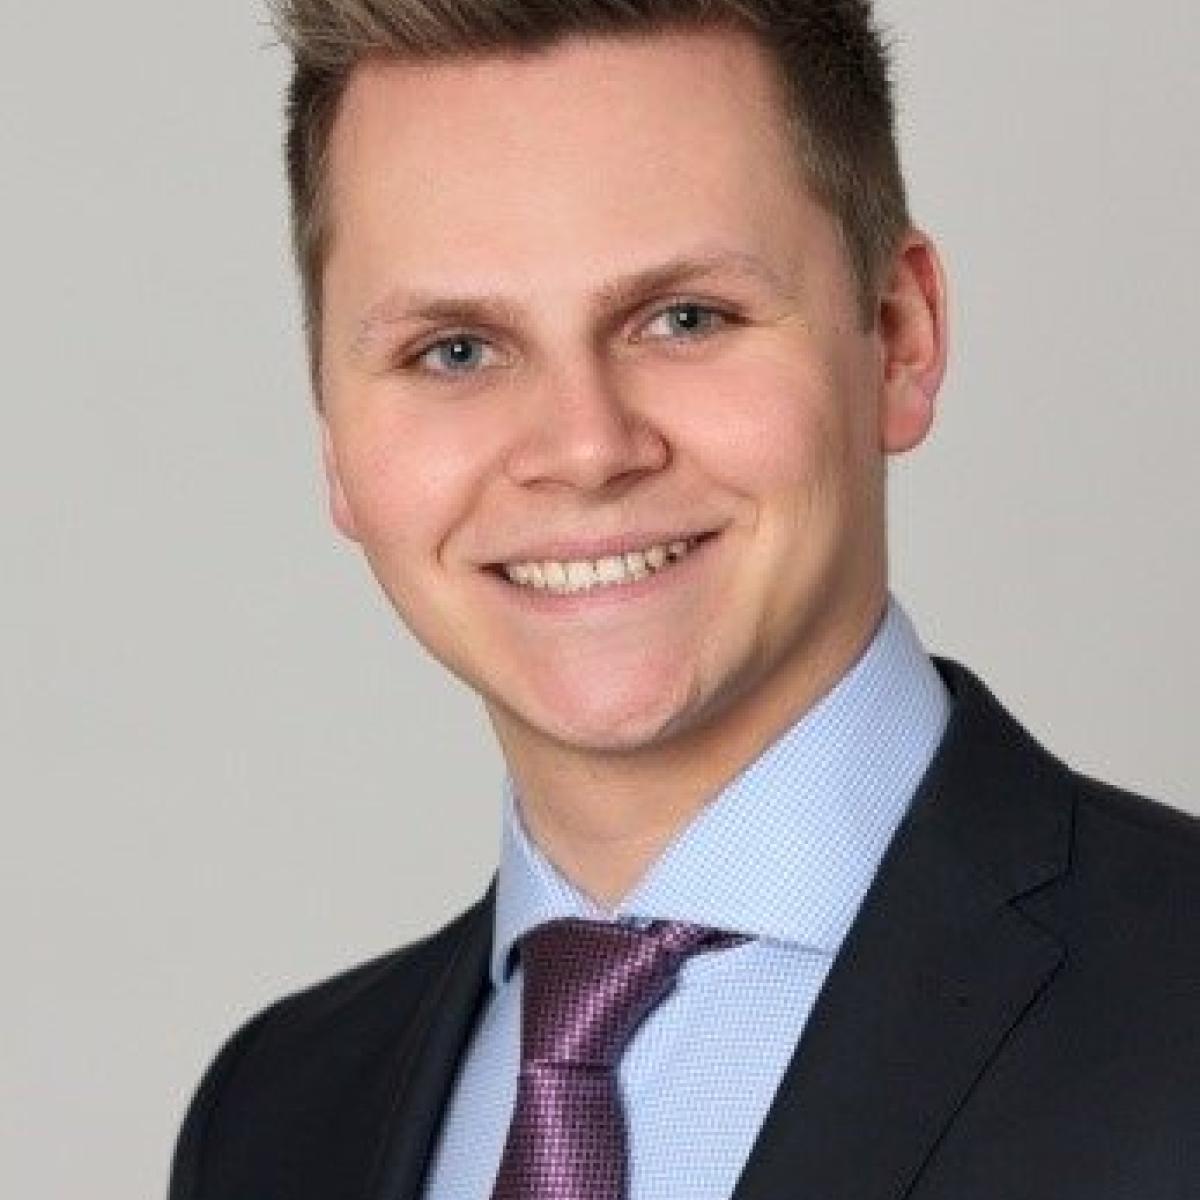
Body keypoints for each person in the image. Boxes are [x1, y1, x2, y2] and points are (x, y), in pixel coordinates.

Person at [169, 2, 1200, 1197]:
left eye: (685, 319)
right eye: (455, 350)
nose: (584, 448)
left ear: (899, 339)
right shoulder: (274, 1116)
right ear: (333, 437)